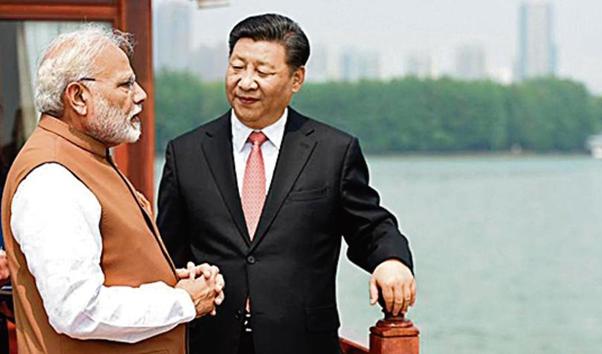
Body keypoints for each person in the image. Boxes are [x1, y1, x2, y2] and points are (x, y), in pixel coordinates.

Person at [157, 14, 416, 354]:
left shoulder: (333, 151)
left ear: (297, 79)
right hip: (209, 342)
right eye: (237, 67)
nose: (246, 82)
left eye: (262, 72)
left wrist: (391, 261)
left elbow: (371, 226)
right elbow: (165, 254)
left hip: (303, 343)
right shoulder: (186, 152)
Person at [0, 26, 225, 354]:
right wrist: (181, 301)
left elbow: (104, 268)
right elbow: (78, 310)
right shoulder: (51, 178)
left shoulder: (84, 156)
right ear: (78, 97)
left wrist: (172, 279)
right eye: (125, 84)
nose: (141, 95)